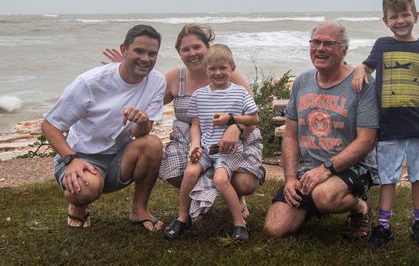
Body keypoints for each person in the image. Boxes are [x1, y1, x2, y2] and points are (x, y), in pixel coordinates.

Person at [102, 24, 265, 219]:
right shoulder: (174, 77)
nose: (192, 53)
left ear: (208, 47)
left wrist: (236, 127)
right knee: (174, 172)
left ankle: (237, 196)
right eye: (185, 49)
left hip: (234, 141)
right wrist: (127, 68)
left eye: (197, 47)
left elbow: (253, 117)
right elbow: (147, 100)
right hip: (191, 141)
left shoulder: (229, 75)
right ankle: (199, 197)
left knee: (245, 182)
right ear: (179, 54)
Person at [42, 25, 166, 231]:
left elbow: (140, 134)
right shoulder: (89, 82)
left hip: (119, 155)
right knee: (85, 190)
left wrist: (142, 121)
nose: (146, 58)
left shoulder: (156, 81)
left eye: (152, 53)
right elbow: (49, 125)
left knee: (152, 143)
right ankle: (78, 206)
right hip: (82, 156)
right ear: (124, 50)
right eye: (139, 51)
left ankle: (139, 210)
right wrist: (70, 160)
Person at [263, 21, 379, 239]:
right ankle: (313, 204)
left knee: (324, 196)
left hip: (355, 168)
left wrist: (326, 169)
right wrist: (289, 178)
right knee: (274, 228)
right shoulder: (302, 82)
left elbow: (367, 140)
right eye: (315, 42)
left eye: (329, 43)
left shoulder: (362, 83)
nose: (320, 48)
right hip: (308, 169)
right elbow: (289, 135)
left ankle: (360, 207)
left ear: (343, 49)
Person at [351, 0, 419, 246]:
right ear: (386, 21)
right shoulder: (382, 45)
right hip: (389, 127)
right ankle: (383, 226)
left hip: (418, 125)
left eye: (405, 14)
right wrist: (360, 70)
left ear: (415, 15)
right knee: (388, 177)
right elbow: (366, 65)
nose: (400, 21)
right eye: (394, 17)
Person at [164, 44, 259, 242]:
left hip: (229, 151)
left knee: (220, 179)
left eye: (223, 68)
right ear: (206, 70)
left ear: (232, 68)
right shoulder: (199, 95)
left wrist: (232, 119)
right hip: (206, 148)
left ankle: (239, 223)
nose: (218, 73)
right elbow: (196, 124)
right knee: (190, 172)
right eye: (213, 69)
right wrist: (195, 145)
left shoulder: (240, 93)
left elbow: (254, 119)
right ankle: (182, 218)